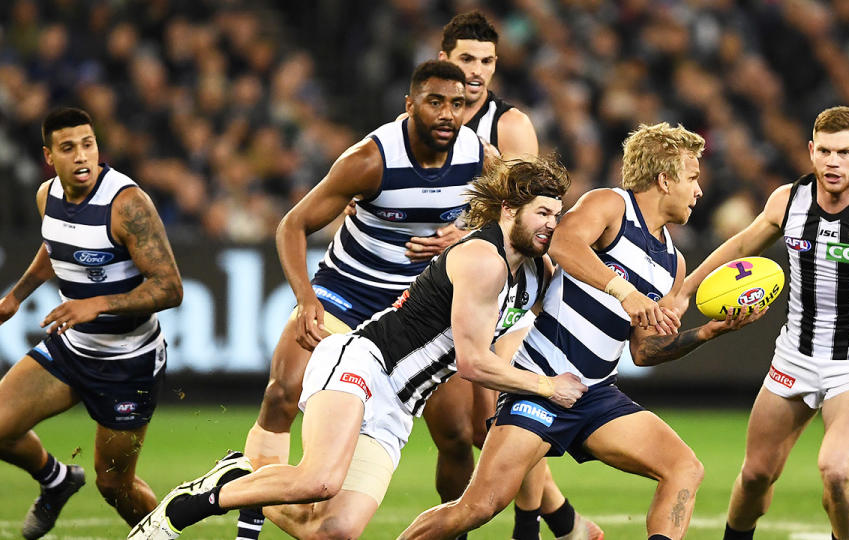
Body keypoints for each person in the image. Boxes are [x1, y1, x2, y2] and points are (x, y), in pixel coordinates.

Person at [128, 156, 585, 540]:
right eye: (542, 212)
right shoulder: (483, 259)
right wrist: (547, 387)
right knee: (319, 480)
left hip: (400, 406)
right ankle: (188, 506)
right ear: (509, 210)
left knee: (333, 531)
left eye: (556, 215)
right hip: (364, 363)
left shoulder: (531, 272)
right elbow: (472, 363)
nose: (551, 224)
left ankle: (241, 476)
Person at [398, 122, 764, 540]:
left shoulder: (673, 264)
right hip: (542, 384)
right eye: (693, 177)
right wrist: (624, 291)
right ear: (664, 180)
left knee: (684, 468)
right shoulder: (611, 205)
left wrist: (708, 333)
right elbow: (562, 242)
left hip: (596, 396)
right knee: (478, 507)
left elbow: (644, 352)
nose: (699, 190)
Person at [230, 59, 495, 539]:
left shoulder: (480, 158)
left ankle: (452, 533)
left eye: (457, 105)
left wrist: (461, 235)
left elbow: (508, 216)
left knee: (457, 436)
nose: (447, 115)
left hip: (420, 314)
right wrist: (306, 298)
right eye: (435, 102)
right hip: (345, 295)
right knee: (282, 391)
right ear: (410, 105)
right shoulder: (371, 160)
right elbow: (293, 224)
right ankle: (249, 519)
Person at [677, 106, 849, 540]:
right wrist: (686, 289)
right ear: (810, 151)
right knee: (754, 476)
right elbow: (743, 244)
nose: (833, 161)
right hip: (794, 356)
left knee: (837, 472)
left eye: (844, 152)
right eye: (824, 150)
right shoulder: (787, 200)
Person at [420, 11, 597, 540]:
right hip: (439, 289)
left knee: (504, 417)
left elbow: (530, 210)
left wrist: (465, 237)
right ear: (443, 59)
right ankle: (564, 521)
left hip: (502, 286)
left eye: (487, 61)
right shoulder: (423, 118)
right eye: (466, 59)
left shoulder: (508, 125)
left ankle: (533, 530)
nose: (476, 72)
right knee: (457, 435)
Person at [0, 107, 183, 538]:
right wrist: (15, 297)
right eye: (68, 148)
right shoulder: (47, 195)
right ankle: (56, 480)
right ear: (49, 156)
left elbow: (170, 288)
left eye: (89, 145)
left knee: (114, 485)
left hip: (128, 362)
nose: (82, 156)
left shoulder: (127, 204)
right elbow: (55, 247)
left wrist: (96, 303)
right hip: (71, 348)